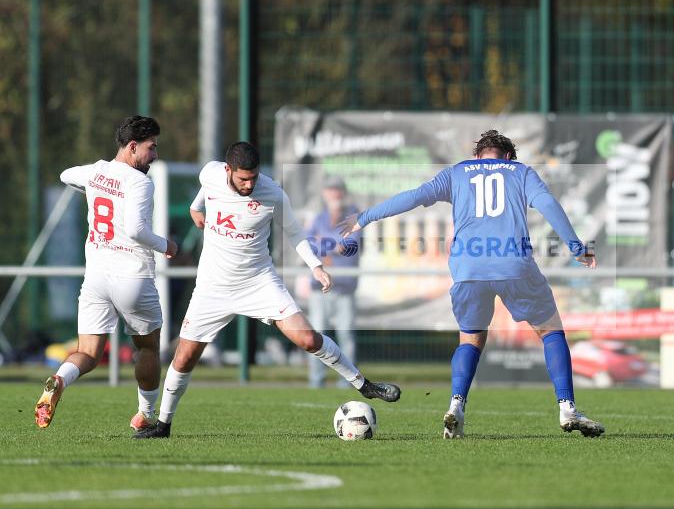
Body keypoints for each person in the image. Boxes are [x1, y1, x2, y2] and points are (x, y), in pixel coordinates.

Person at [341, 130, 603, 439]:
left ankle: (456, 405)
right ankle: (567, 407)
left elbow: (414, 196)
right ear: (508, 156)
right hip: (513, 265)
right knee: (550, 331)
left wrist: (365, 217)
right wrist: (576, 247)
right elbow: (547, 203)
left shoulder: (458, 172)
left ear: (477, 156)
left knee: (470, 340)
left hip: (468, 268)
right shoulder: (521, 172)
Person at [133, 141, 400, 439]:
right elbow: (205, 188)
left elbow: (295, 233)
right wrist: (196, 207)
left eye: (254, 178)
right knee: (183, 358)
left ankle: (364, 385)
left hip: (258, 282)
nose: (249, 185)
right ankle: (163, 425)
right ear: (228, 170)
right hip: (212, 288)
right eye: (243, 179)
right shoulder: (210, 173)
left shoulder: (273, 193)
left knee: (308, 338)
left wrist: (316, 266)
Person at [35, 116, 178, 430]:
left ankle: (59, 380)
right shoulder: (140, 182)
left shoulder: (97, 171)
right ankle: (145, 415)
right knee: (148, 348)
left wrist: (93, 188)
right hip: (132, 277)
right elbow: (136, 230)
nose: (154, 155)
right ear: (132, 147)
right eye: (151, 147)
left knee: (87, 353)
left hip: (97, 279)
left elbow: (65, 175)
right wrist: (166, 245)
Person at [304, 176, 361, 388]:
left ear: (343, 192)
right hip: (319, 287)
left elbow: (349, 246)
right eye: (330, 189)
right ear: (324, 193)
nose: (334, 193)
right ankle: (316, 381)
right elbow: (308, 245)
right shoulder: (319, 218)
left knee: (346, 335)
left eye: (337, 189)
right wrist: (332, 245)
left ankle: (348, 382)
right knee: (316, 336)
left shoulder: (353, 216)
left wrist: (324, 244)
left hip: (344, 286)